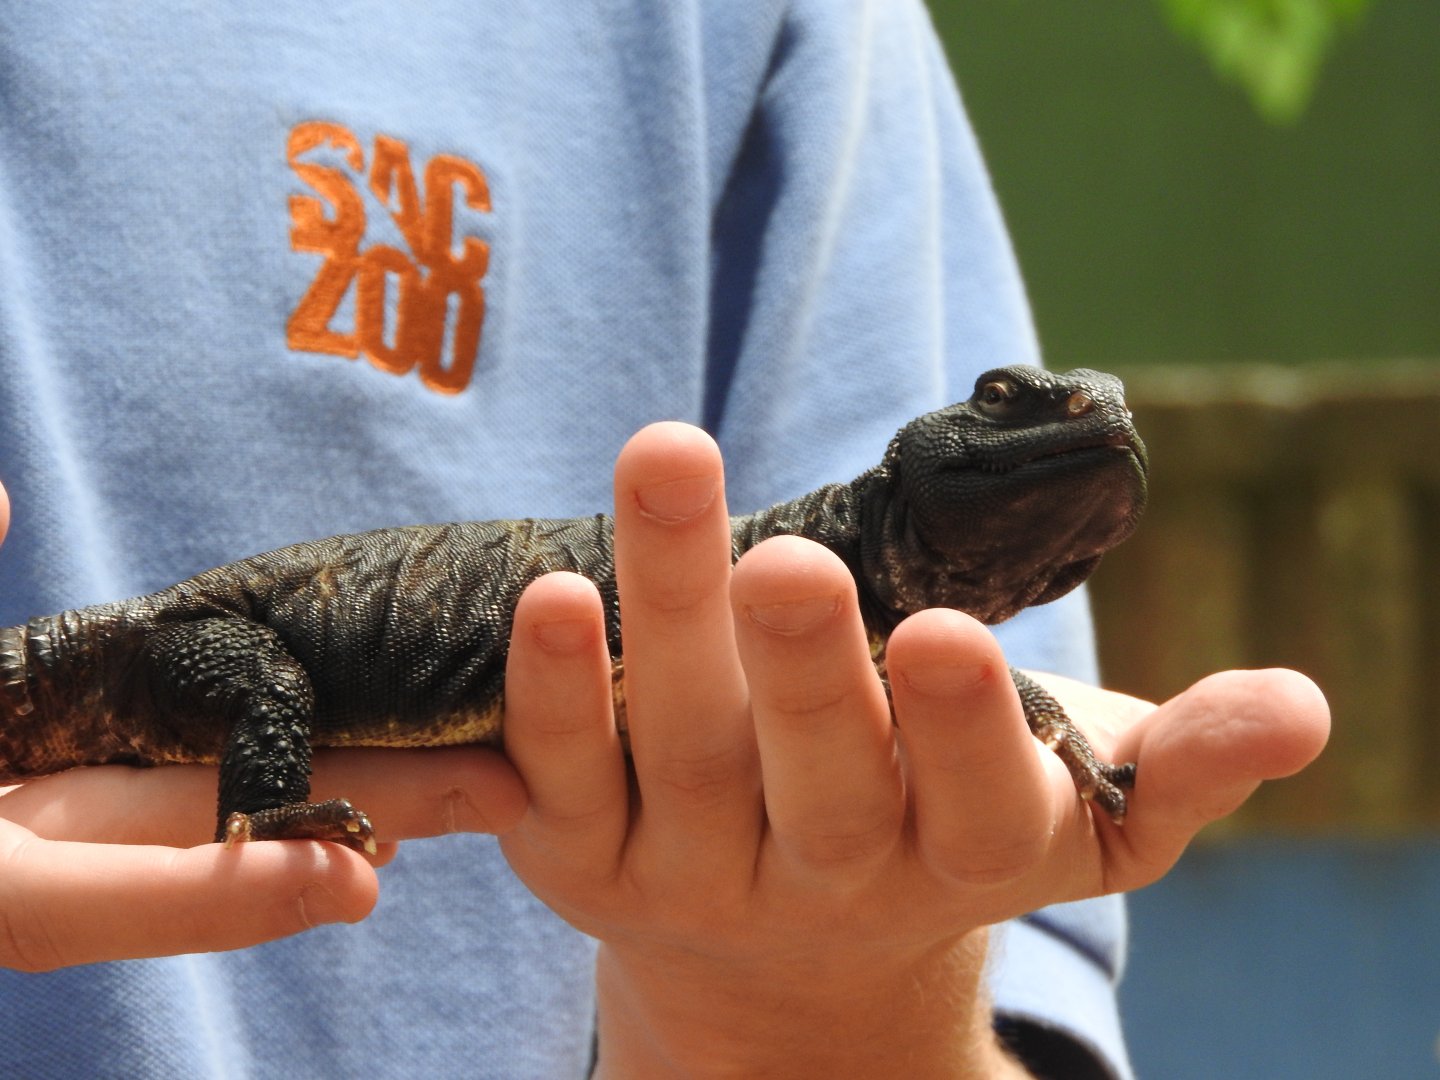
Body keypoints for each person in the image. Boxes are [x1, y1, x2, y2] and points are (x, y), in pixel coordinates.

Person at [0, 2, 1328, 1076]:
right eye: (1002, 404)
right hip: (190, 656)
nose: (1077, 420)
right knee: (264, 691)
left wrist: (829, 998)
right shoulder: (803, 568)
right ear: (910, 473)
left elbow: (955, 708)